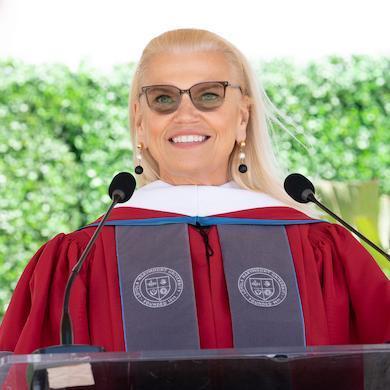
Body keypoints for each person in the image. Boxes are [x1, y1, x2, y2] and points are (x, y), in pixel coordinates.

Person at [0, 29, 389, 354]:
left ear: (242, 117)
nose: (186, 115)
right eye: (163, 98)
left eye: (208, 95)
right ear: (140, 122)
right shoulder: (76, 260)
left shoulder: (321, 247)